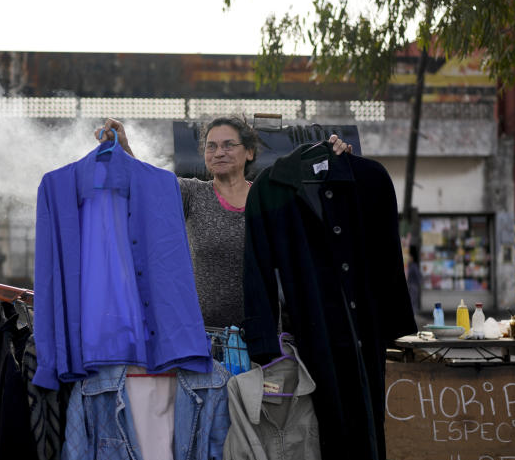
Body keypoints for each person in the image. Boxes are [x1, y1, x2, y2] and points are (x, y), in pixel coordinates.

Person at [94, 116, 351, 328]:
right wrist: (123, 149)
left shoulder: (268, 197)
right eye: (211, 146)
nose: (219, 152)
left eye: (229, 145)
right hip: (204, 337)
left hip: (260, 337)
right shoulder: (192, 194)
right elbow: (147, 184)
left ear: (249, 152)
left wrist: (338, 159)